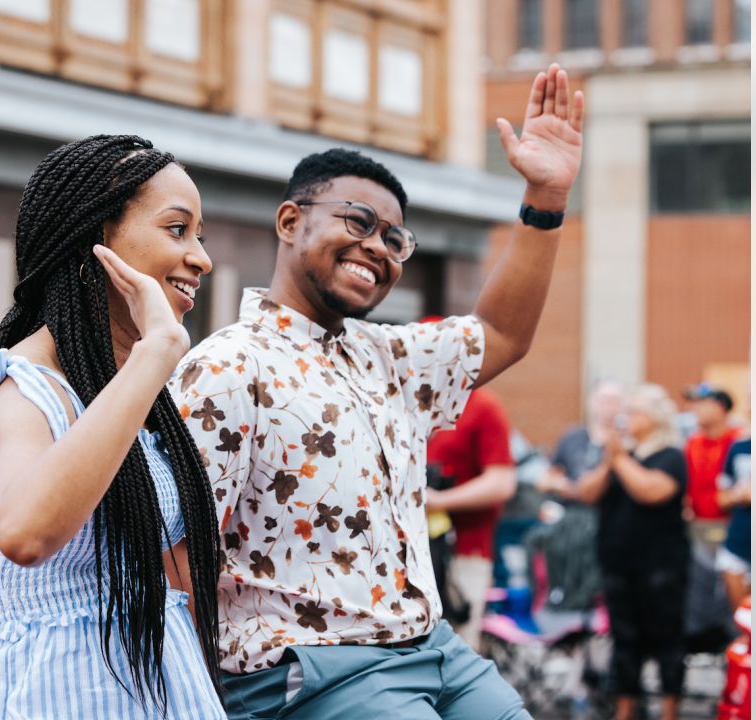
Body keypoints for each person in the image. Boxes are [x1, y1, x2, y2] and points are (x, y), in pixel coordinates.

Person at [171, 64, 582, 719]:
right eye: (358, 222)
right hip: (313, 665)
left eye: (395, 240)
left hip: (434, 648)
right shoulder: (227, 365)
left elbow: (502, 331)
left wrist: (546, 196)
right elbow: (174, 550)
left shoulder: (390, 357)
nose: (379, 249)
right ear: (288, 221)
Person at [0, 135, 225, 719]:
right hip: (52, 694)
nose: (201, 258)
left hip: (158, 687)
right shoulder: (23, 390)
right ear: (96, 239)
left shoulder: (122, 393)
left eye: (200, 237)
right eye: (176, 229)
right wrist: (156, 353)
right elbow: (24, 534)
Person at [577, 383, 689, 720]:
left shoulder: (670, 455)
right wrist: (611, 462)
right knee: (624, 639)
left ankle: (669, 709)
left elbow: (651, 491)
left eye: (634, 412)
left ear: (655, 418)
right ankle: (625, 708)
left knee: (666, 637)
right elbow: (587, 493)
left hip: (661, 567)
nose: (626, 419)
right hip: (618, 564)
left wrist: (620, 459)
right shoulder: (619, 457)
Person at [423, 386, 516, 648]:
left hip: (464, 551)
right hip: (414, 554)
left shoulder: (482, 407)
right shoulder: (419, 399)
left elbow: (502, 482)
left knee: (457, 644)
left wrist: (439, 501)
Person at [530, 379, 625, 611]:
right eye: (604, 400)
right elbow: (546, 479)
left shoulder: (624, 440)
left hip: (609, 518)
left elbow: (592, 491)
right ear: (592, 403)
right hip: (572, 518)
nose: (608, 407)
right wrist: (563, 485)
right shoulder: (574, 437)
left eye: (614, 401)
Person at [682, 383, 741, 651]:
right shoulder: (693, 443)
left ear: (720, 407)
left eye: (701, 403)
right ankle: (701, 641)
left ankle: (735, 639)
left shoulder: (738, 442)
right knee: (699, 587)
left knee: (731, 589)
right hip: (699, 526)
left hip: (732, 526)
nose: (695, 410)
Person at [716, 435, 751, 611]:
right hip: (738, 543)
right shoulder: (739, 447)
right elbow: (721, 498)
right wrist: (738, 494)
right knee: (742, 618)